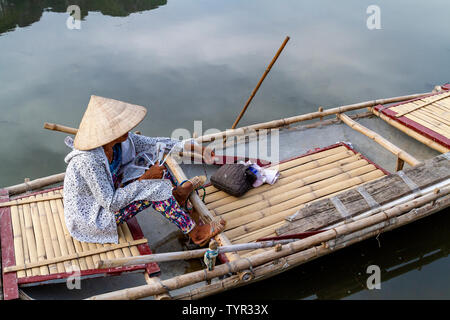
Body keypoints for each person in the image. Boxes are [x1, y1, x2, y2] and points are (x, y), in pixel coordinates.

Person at [63, 95, 225, 247]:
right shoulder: (89, 160)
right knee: (153, 189)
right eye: (121, 127)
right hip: (94, 216)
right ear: (107, 134)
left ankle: (177, 195)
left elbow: (155, 144)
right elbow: (110, 203)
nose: (128, 128)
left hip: (113, 190)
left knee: (156, 163)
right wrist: (144, 179)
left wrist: (195, 148)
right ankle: (195, 233)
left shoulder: (123, 142)